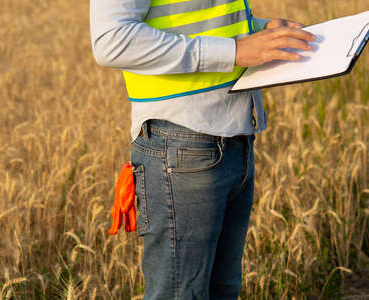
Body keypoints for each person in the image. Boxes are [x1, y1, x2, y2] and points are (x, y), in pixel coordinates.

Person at [90, 0, 315, 299]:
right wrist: (235, 51)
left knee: (221, 290)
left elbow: (207, 18)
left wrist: (261, 31)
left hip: (235, 138)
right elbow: (111, 39)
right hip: (180, 144)